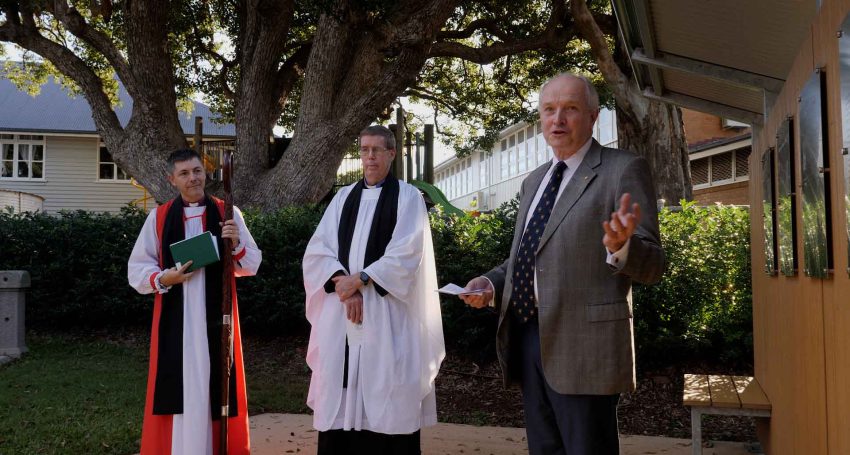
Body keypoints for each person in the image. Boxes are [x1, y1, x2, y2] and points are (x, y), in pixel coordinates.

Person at [459, 73, 666, 455]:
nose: (558, 119)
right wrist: (490, 285)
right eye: (549, 110)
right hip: (529, 339)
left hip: (586, 349)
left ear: (592, 116)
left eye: (570, 109)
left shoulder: (623, 169)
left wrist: (621, 247)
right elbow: (524, 260)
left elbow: (653, 264)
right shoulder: (533, 182)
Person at [302, 125, 445, 454]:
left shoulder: (408, 198)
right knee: (341, 393)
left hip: (387, 314)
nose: (369, 157)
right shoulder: (343, 197)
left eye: (376, 150)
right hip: (344, 316)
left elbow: (408, 252)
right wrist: (346, 286)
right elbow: (318, 251)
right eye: (364, 150)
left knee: (388, 393)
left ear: (391, 154)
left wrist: (362, 279)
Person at [128, 148, 262, 455]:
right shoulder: (159, 218)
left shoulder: (227, 212)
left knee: (215, 384)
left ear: (206, 173)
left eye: (198, 171)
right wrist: (165, 278)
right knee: (181, 386)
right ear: (171, 179)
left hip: (217, 319)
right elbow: (136, 270)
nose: (193, 178)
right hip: (177, 320)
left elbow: (252, 264)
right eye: (185, 173)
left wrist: (237, 243)